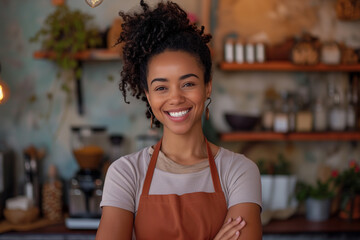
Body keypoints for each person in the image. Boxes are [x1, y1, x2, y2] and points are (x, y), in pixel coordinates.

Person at [96, 1, 262, 239]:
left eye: (188, 84)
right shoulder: (126, 173)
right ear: (148, 95)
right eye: (161, 87)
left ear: (207, 87)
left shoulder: (239, 171)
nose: (175, 98)